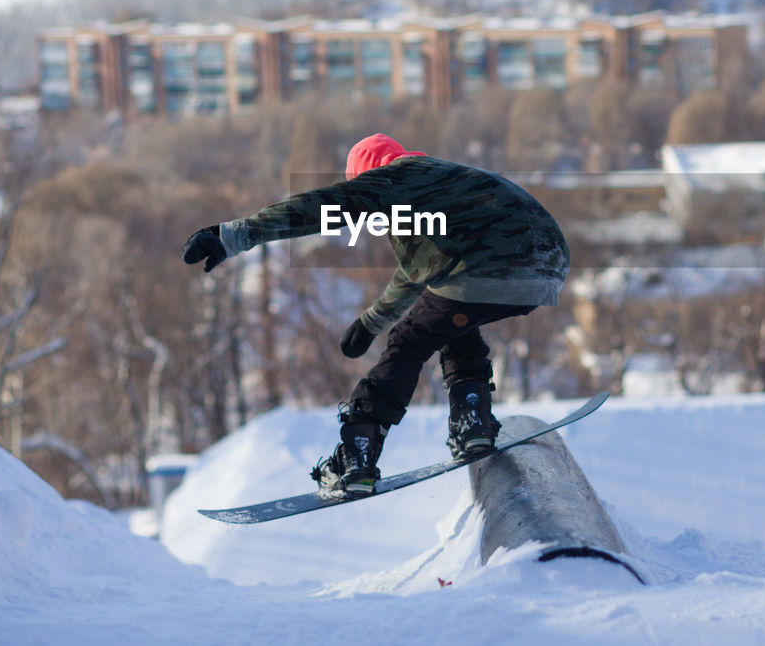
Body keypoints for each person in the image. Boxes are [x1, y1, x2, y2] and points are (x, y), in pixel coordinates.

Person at [182, 133, 570, 496]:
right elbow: (416, 276)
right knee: (448, 324)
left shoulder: (393, 179)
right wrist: (371, 323)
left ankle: (358, 454)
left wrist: (232, 235)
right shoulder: (440, 186)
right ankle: (473, 423)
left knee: (407, 342)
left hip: (488, 266)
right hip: (547, 263)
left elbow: (320, 207)